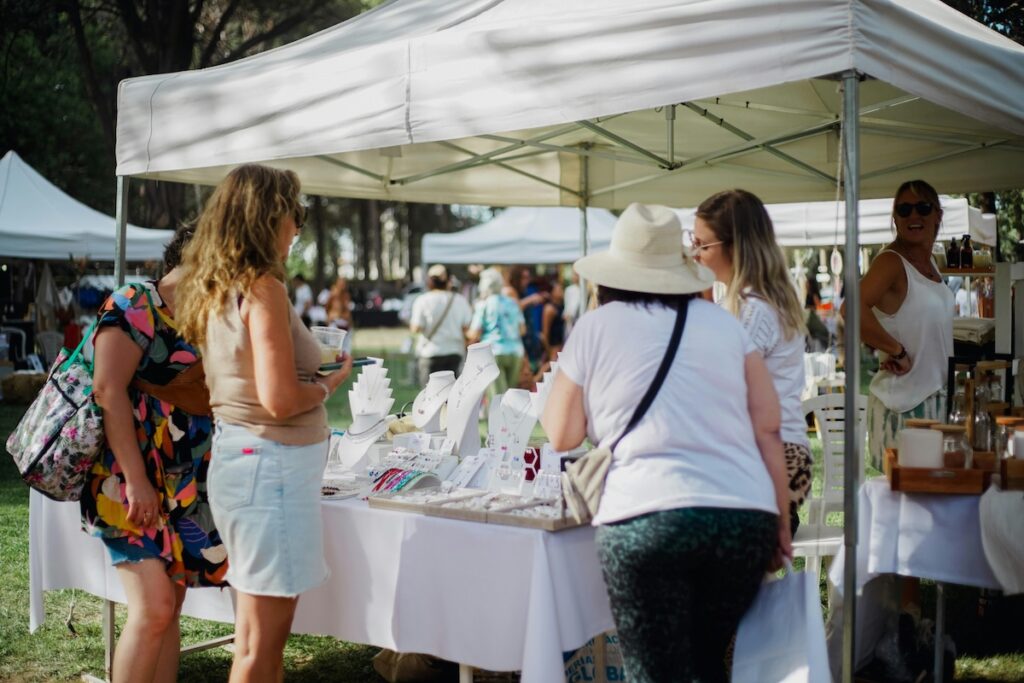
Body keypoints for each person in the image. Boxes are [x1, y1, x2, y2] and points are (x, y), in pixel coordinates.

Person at [542, 203, 792, 683]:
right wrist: (779, 519)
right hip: (741, 518)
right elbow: (768, 428)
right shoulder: (724, 325)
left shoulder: (595, 327)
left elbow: (561, 434)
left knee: (657, 672)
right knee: (705, 663)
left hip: (643, 518)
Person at [176, 165, 353, 683]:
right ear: (268, 216)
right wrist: (326, 386)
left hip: (243, 461)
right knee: (261, 645)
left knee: (253, 640)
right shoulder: (262, 288)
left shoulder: (217, 286)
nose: (298, 227)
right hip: (269, 469)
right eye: (295, 214)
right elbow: (278, 399)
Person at [81, 223, 228, 683]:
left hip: (185, 482)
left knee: (171, 607)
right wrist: (138, 481)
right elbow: (107, 390)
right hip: (129, 477)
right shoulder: (134, 302)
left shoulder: (208, 315)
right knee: (155, 608)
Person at [691, 189, 811, 536]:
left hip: (772, 458)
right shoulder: (749, 299)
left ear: (735, 246)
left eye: (703, 245)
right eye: (692, 241)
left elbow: (721, 391)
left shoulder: (754, 309)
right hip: (766, 451)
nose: (694, 253)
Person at [848, 179, 953, 470]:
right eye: (904, 209)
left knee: (931, 506)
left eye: (922, 207)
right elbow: (851, 308)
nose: (913, 216)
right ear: (895, 218)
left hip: (934, 401)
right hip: (904, 407)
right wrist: (895, 350)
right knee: (906, 509)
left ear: (938, 215)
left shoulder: (930, 264)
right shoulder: (891, 262)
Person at [410, 264, 473, 387]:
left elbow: (415, 328)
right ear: (449, 280)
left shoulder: (422, 300)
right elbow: (466, 328)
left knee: (429, 396)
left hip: (430, 352)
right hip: (454, 351)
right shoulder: (460, 300)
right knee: (451, 396)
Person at [468, 267, 525, 397]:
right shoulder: (512, 303)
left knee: (496, 396)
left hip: (493, 351)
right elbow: (522, 330)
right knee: (510, 394)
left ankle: (497, 417)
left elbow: (474, 333)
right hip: (516, 351)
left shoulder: (483, 305)